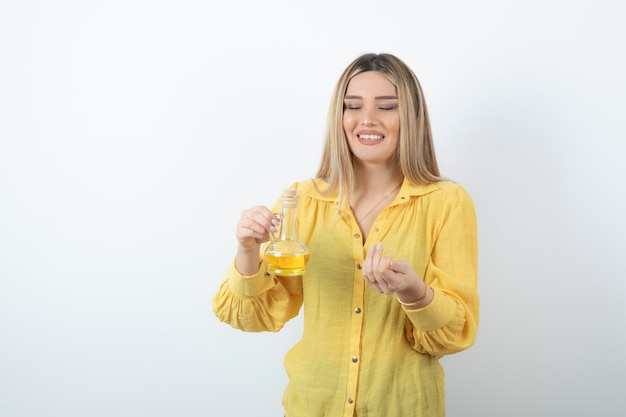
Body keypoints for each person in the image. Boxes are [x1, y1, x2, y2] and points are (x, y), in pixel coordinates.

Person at [212, 52, 479, 417]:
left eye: (387, 106)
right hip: (312, 405)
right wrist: (246, 251)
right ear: (339, 117)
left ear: (411, 118)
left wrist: (412, 291)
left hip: (403, 406)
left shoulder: (447, 202)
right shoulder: (301, 200)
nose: (367, 119)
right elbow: (256, 316)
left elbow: (454, 332)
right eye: (352, 105)